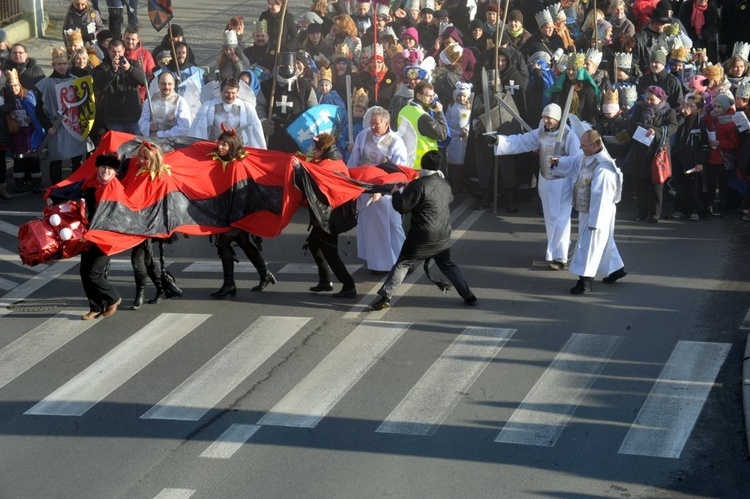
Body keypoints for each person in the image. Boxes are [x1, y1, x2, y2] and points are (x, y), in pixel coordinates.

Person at [369, 150, 477, 310]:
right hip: (443, 234)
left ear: (423, 165)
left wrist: (396, 193)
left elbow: (402, 207)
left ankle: (385, 296)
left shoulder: (418, 184)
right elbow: (450, 200)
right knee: (447, 264)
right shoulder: (445, 184)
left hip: (421, 234)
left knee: (403, 263)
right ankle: (468, 295)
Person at [490, 103, 580, 270]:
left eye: (549, 117)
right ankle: (553, 253)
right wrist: (499, 140)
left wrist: (561, 162)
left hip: (562, 183)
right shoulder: (540, 132)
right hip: (545, 180)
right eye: (544, 116)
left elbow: (578, 160)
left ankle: (561, 257)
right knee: (550, 219)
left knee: (560, 219)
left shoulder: (570, 136)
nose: (546, 120)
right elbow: (521, 141)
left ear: (558, 119)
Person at [549, 130, 626, 295]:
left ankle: (585, 281)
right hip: (588, 210)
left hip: (598, 213)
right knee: (603, 242)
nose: (580, 147)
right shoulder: (586, 157)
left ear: (596, 145)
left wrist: (596, 222)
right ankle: (616, 269)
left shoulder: (604, 169)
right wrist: (558, 162)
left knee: (589, 245)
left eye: (584, 145)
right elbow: (573, 162)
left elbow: (602, 198)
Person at [208, 128, 276, 297]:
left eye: (225, 144)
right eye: (220, 143)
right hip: (229, 212)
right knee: (244, 242)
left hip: (237, 214)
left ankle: (229, 284)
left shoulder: (238, 165)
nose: (221, 147)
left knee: (223, 243)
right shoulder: (220, 161)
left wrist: (233, 219)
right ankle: (264, 273)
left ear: (232, 147)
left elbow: (240, 195)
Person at [292, 133, 357, 298]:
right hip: (325, 215)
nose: (313, 151)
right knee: (314, 244)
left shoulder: (329, 166)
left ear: (323, 150)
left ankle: (349, 286)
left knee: (330, 253)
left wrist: (299, 170)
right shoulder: (330, 162)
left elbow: (312, 186)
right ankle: (325, 281)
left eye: (316, 148)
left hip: (329, 217)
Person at [347, 106, 409, 272]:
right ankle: (378, 263)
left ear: (387, 123)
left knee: (393, 225)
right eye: (372, 123)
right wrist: (351, 181)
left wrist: (385, 187)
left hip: (387, 189)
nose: (373, 127)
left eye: (377, 124)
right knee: (371, 226)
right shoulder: (363, 135)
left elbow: (400, 167)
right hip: (366, 187)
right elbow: (354, 160)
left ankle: (403, 259)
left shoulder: (396, 141)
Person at [35, 47, 93, 185]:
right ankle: (56, 188)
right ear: (53, 65)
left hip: (74, 124)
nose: (62, 67)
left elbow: (85, 105)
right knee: (56, 159)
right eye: (59, 64)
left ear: (69, 64)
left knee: (76, 158)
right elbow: (38, 109)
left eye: (64, 63)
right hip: (56, 126)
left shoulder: (76, 81)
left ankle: (76, 185)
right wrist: (48, 126)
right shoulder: (45, 84)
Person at [77, 153, 123, 319]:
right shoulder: (92, 181)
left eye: (110, 168)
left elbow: (108, 219)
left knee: (94, 272)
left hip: (106, 235)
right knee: (84, 271)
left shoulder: (114, 189)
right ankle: (95, 307)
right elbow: (76, 189)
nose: (106, 171)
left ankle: (113, 298)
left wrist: (91, 234)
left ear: (115, 172)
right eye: (103, 167)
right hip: (90, 232)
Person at [625, 85, 679, 222]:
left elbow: (673, 127)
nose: (648, 102)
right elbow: (632, 123)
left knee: (656, 185)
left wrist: (656, 131)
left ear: (660, 99)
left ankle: (655, 213)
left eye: (652, 99)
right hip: (640, 150)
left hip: (657, 151)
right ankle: (642, 212)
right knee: (640, 184)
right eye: (647, 99)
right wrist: (643, 128)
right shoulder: (640, 108)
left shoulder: (669, 111)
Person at [127, 142, 169, 309]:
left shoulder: (161, 177)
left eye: (146, 158)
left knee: (137, 261)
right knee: (148, 260)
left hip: (149, 225)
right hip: (133, 223)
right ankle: (161, 289)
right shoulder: (135, 170)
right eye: (141, 157)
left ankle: (140, 295)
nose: (142, 161)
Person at [91, 38, 147, 138]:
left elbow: (144, 81)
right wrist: (112, 71)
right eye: (113, 52)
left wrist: (129, 69)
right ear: (108, 51)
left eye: (119, 52)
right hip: (114, 119)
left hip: (134, 117)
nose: (116, 55)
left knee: (136, 148)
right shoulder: (102, 68)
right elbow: (100, 85)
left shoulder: (133, 64)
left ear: (124, 50)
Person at [191, 77, 266, 148]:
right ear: (221, 91)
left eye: (233, 93)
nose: (230, 96)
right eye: (227, 92)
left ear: (237, 92)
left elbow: (255, 133)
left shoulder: (247, 107)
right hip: (214, 149)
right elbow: (199, 132)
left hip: (239, 150)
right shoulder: (208, 106)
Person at [2, 68, 45, 192]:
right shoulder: (7, 98)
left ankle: (36, 182)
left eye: (15, 85)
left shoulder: (28, 95)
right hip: (17, 134)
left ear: (19, 84)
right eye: (11, 86)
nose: (13, 88)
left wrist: (32, 121)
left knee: (33, 158)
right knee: (19, 160)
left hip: (31, 133)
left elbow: (35, 111)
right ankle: (20, 183)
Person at [397, 80, 448, 170]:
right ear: (418, 95)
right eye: (428, 96)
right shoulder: (423, 116)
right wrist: (439, 113)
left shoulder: (403, 111)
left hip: (406, 163)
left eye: (433, 96)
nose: (432, 99)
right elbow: (442, 134)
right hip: (423, 165)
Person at [138, 71, 192, 138]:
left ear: (174, 84)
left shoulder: (180, 102)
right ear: (158, 84)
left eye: (169, 84)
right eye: (163, 84)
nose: (166, 87)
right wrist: (149, 127)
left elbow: (184, 128)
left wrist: (160, 135)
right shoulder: (150, 100)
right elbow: (142, 121)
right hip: (153, 141)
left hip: (172, 143)